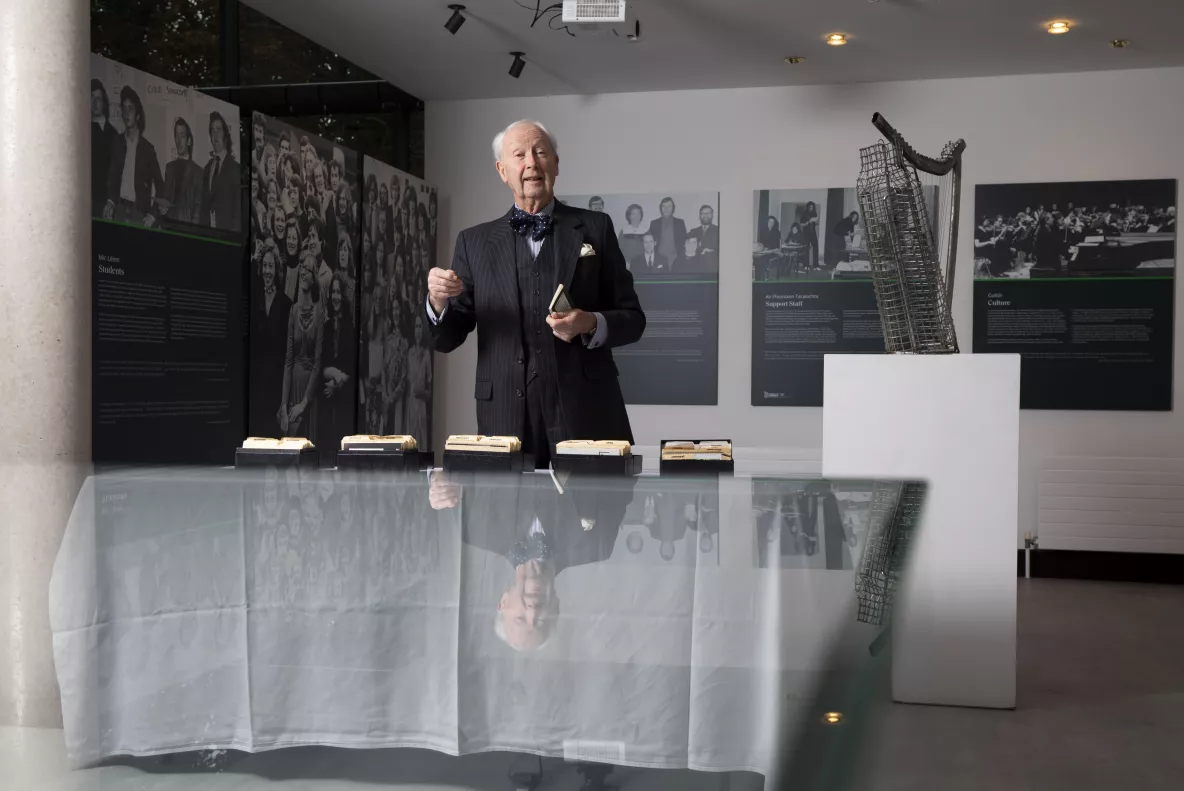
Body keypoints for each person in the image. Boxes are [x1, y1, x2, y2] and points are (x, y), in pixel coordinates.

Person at [425, 119, 644, 469]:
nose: (531, 162)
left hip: (588, 412)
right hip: (505, 419)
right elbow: (448, 338)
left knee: (591, 518)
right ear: (502, 170)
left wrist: (590, 322)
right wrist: (438, 303)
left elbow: (634, 320)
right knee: (509, 522)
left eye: (541, 152)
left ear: (555, 163)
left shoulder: (596, 228)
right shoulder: (474, 242)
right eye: (519, 154)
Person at [433, 472, 636, 652]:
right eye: (540, 622)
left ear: (503, 603)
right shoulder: (596, 546)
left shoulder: (475, 529)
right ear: (556, 608)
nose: (532, 610)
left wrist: (435, 479)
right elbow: (623, 470)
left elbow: (460, 465)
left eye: (520, 618)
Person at [104, 85, 164, 226]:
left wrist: (152, 214)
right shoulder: (117, 142)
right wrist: (110, 201)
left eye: (130, 108)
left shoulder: (148, 149)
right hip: (118, 212)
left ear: (138, 115)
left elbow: (161, 187)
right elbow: (111, 178)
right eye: (124, 108)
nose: (126, 113)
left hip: (139, 216)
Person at [279, 253, 324, 438]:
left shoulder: (319, 313)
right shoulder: (293, 311)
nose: (304, 272)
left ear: (314, 277)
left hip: (308, 393)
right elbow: (288, 360)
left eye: (309, 270)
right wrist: (283, 404)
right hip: (293, 387)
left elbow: (317, 364)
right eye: (302, 268)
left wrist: (303, 403)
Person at [251, 239, 292, 435]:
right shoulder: (255, 298)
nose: (267, 271)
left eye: (271, 266)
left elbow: (287, 350)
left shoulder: (285, 304)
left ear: (277, 270)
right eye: (264, 266)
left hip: (276, 383)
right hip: (258, 383)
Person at [318, 271, 355, 459]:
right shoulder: (326, 327)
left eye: (339, 292)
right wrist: (332, 374)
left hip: (344, 399)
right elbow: (322, 365)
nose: (335, 297)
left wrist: (337, 383)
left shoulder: (351, 328)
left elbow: (353, 370)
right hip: (326, 396)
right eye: (333, 292)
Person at [161, 117, 204, 225]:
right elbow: (165, 198)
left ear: (189, 141)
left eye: (182, 136)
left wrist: (192, 231)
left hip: (186, 228)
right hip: (169, 226)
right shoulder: (169, 167)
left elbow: (198, 208)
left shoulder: (198, 172)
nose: (178, 140)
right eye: (176, 135)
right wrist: (162, 208)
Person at [201, 111, 240, 231]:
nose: (215, 134)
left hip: (227, 236)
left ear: (226, 136)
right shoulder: (207, 168)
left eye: (219, 129)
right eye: (212, 130)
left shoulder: (235, 168)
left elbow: (238, 210)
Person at [90, 79, 118, 215]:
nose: (95, 103)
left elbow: (118, 172)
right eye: (92, 98)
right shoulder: (82, 131)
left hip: (106, 204)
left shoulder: (114, 135)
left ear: (104, 103)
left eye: (98, 99)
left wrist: (112, 200)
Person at [405, 313, 432, 448]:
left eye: (420, 326)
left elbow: (430, 392)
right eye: (416, 326)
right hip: (410, 406)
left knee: (421, 445)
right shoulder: (409, 353)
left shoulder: (427, 355)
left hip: (421, 406)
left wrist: (421, 392)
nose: (418, 330)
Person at [647, 196, 686, 267]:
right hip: (658, 259)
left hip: (676, 259)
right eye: (664, 206)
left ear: (673, 208)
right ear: (661, 208)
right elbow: (650, 242)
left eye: (669, 206)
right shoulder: (654, 223)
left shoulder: (680, 223)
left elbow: (684, 241)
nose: (666, 209)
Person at [798, 200, 820, 269]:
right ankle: (806, 265)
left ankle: (816, 265)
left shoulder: (814, 214)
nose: (811, 208)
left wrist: (815, 221)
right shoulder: (804, 214)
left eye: (812, 207)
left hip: (813, 232)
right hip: (806, 233)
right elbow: (801, 224)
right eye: (810, 207)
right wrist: (807, 223)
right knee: (806, 248)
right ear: (808, 207)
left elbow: (816, 222)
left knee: (816, 247)